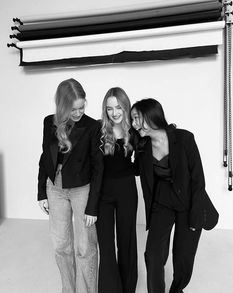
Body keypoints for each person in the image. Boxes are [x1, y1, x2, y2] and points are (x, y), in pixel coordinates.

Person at [130, 98, 219, 293]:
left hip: (189, 202)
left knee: (183, 256)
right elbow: (136, 170)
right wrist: (130, 143)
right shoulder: (143, 146)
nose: (134, 124)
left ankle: (177, 290)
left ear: (152, 116)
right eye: (133, 119)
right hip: (162, 202)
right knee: (152, 253)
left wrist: (196, 213)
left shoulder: (184, 138)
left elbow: (198, 179)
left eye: (137, 118)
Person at [37, 78, 103, 293]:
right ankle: (69, 290)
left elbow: (98, 167)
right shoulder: (49, 122)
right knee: (61, 246)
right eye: (73, 109)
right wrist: (41, 192)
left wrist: (93, 206)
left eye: (82, 107)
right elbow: (44, 158)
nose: (78, 112)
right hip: (54, 189)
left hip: (81, 189)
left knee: (85, 248)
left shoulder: (93, 126)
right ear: (62, 106)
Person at [96, 87, 138, 293]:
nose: (114, 112)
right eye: (110, 108)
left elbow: (140, 166)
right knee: (106, 244)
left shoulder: (135, 132)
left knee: (126, 240)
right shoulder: (99, 131)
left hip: (127, 190)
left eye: (119, 107)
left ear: (126, 107)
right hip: (103, 193)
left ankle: (128, 288)